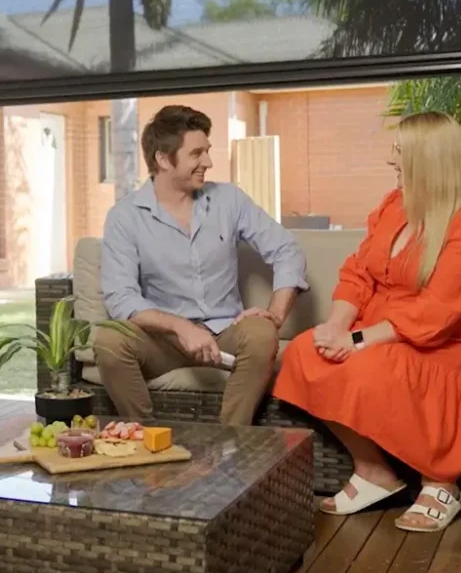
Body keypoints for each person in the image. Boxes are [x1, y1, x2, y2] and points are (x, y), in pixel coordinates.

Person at [273, 111, 461, 533]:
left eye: (399, 151)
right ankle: (374, 470)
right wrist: (337, 327)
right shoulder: (394, 205)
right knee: (304, 352)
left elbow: (438, 313)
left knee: (368, 367)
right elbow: (358, 272)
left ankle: (442, 482)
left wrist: (358, 341)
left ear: (428, 159)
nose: (391, 160)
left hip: (447, 339)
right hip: (379, 324)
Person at [98, 105, 308, 425]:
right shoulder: (124, 217)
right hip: (162, 342)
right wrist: (181, 327)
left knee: (262, 334)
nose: (208, 162)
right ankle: (144, 437)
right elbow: (121, 298)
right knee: (109, 342)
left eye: (207, 152)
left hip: (225, 333)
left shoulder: (229, 200)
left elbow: (286, 250)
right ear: (164, 159)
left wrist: (276, 314)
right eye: (196, 154)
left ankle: (230, 445)